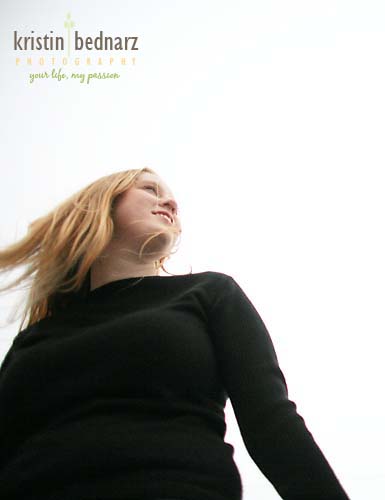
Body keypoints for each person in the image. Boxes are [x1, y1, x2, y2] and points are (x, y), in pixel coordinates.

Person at [0, 168, 349, 500]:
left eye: (170, 197)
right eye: (150, 189)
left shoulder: (209, 293)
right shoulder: (33, 340)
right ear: (102, 204)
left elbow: (270, 423)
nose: (170, 202)